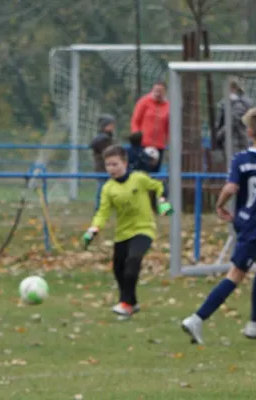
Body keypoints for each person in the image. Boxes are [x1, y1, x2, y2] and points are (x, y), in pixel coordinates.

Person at [181, 106, 256, 345]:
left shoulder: (240, 159)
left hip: (244, 223)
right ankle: (197, 318)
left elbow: (231, 188)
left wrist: (220, 205)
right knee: (235, 275)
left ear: (249, 132)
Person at [82, 145, 173, 318]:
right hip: (122, 233)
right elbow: (103, 212)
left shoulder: (138, 178)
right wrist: (93, 228)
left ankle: (124, 303)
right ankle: (132, 303)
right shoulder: (108, 188)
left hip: (143, 229)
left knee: (133, 261)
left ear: (125, 163)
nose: (111, 169)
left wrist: (163, 201)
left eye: (115, 164)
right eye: (108, 165)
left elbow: (159, 185)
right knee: (119, 270)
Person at [130, 81, 169, 173]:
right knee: (141, 170)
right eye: (155, 90)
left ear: (164, 92)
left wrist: (168, 140)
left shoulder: (168, 106)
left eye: (160, 91)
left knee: (155, 171)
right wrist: (136, 136)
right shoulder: (144, 102)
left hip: (159, 145)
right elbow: (135, 120)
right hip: (143, 144)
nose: (157, 93)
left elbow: (168, 125)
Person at [216, 78, 253, 157]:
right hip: (231, 142)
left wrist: (219, 135)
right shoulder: (226, 103)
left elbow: (232, 122)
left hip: (237, 142)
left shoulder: (240, 104)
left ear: (232, 88)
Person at [90, 114, 116, 210]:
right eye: (110, 125)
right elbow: (107, 153)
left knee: (106, 187)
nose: (113, 127)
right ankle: (98, 208)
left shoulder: (106, 137)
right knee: (102, 188)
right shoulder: (103, 139)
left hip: (105, 167)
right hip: (102, 168)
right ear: (105, 126)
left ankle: (105, 206)